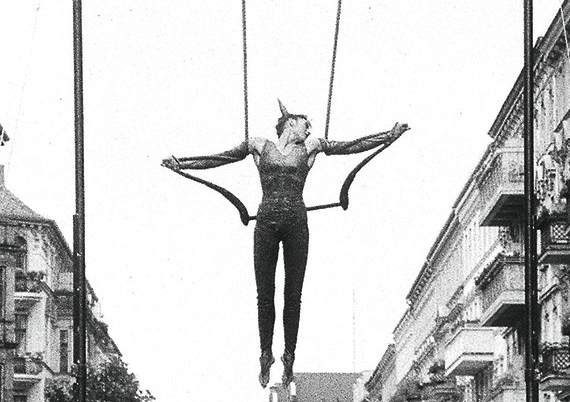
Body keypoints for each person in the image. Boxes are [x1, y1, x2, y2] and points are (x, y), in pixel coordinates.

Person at [164, 102, 409, 386]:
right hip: (266, 223)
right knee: (264, 294)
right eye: (306, 124)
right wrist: (181, 163)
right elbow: (220, 158)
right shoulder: (258, 145)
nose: (309, 130)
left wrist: (388, 136)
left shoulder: (311, 147)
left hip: (295, 223)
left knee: (293, 295)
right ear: (290, 122)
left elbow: (350, 146)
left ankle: (289, 355)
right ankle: (265, 353)